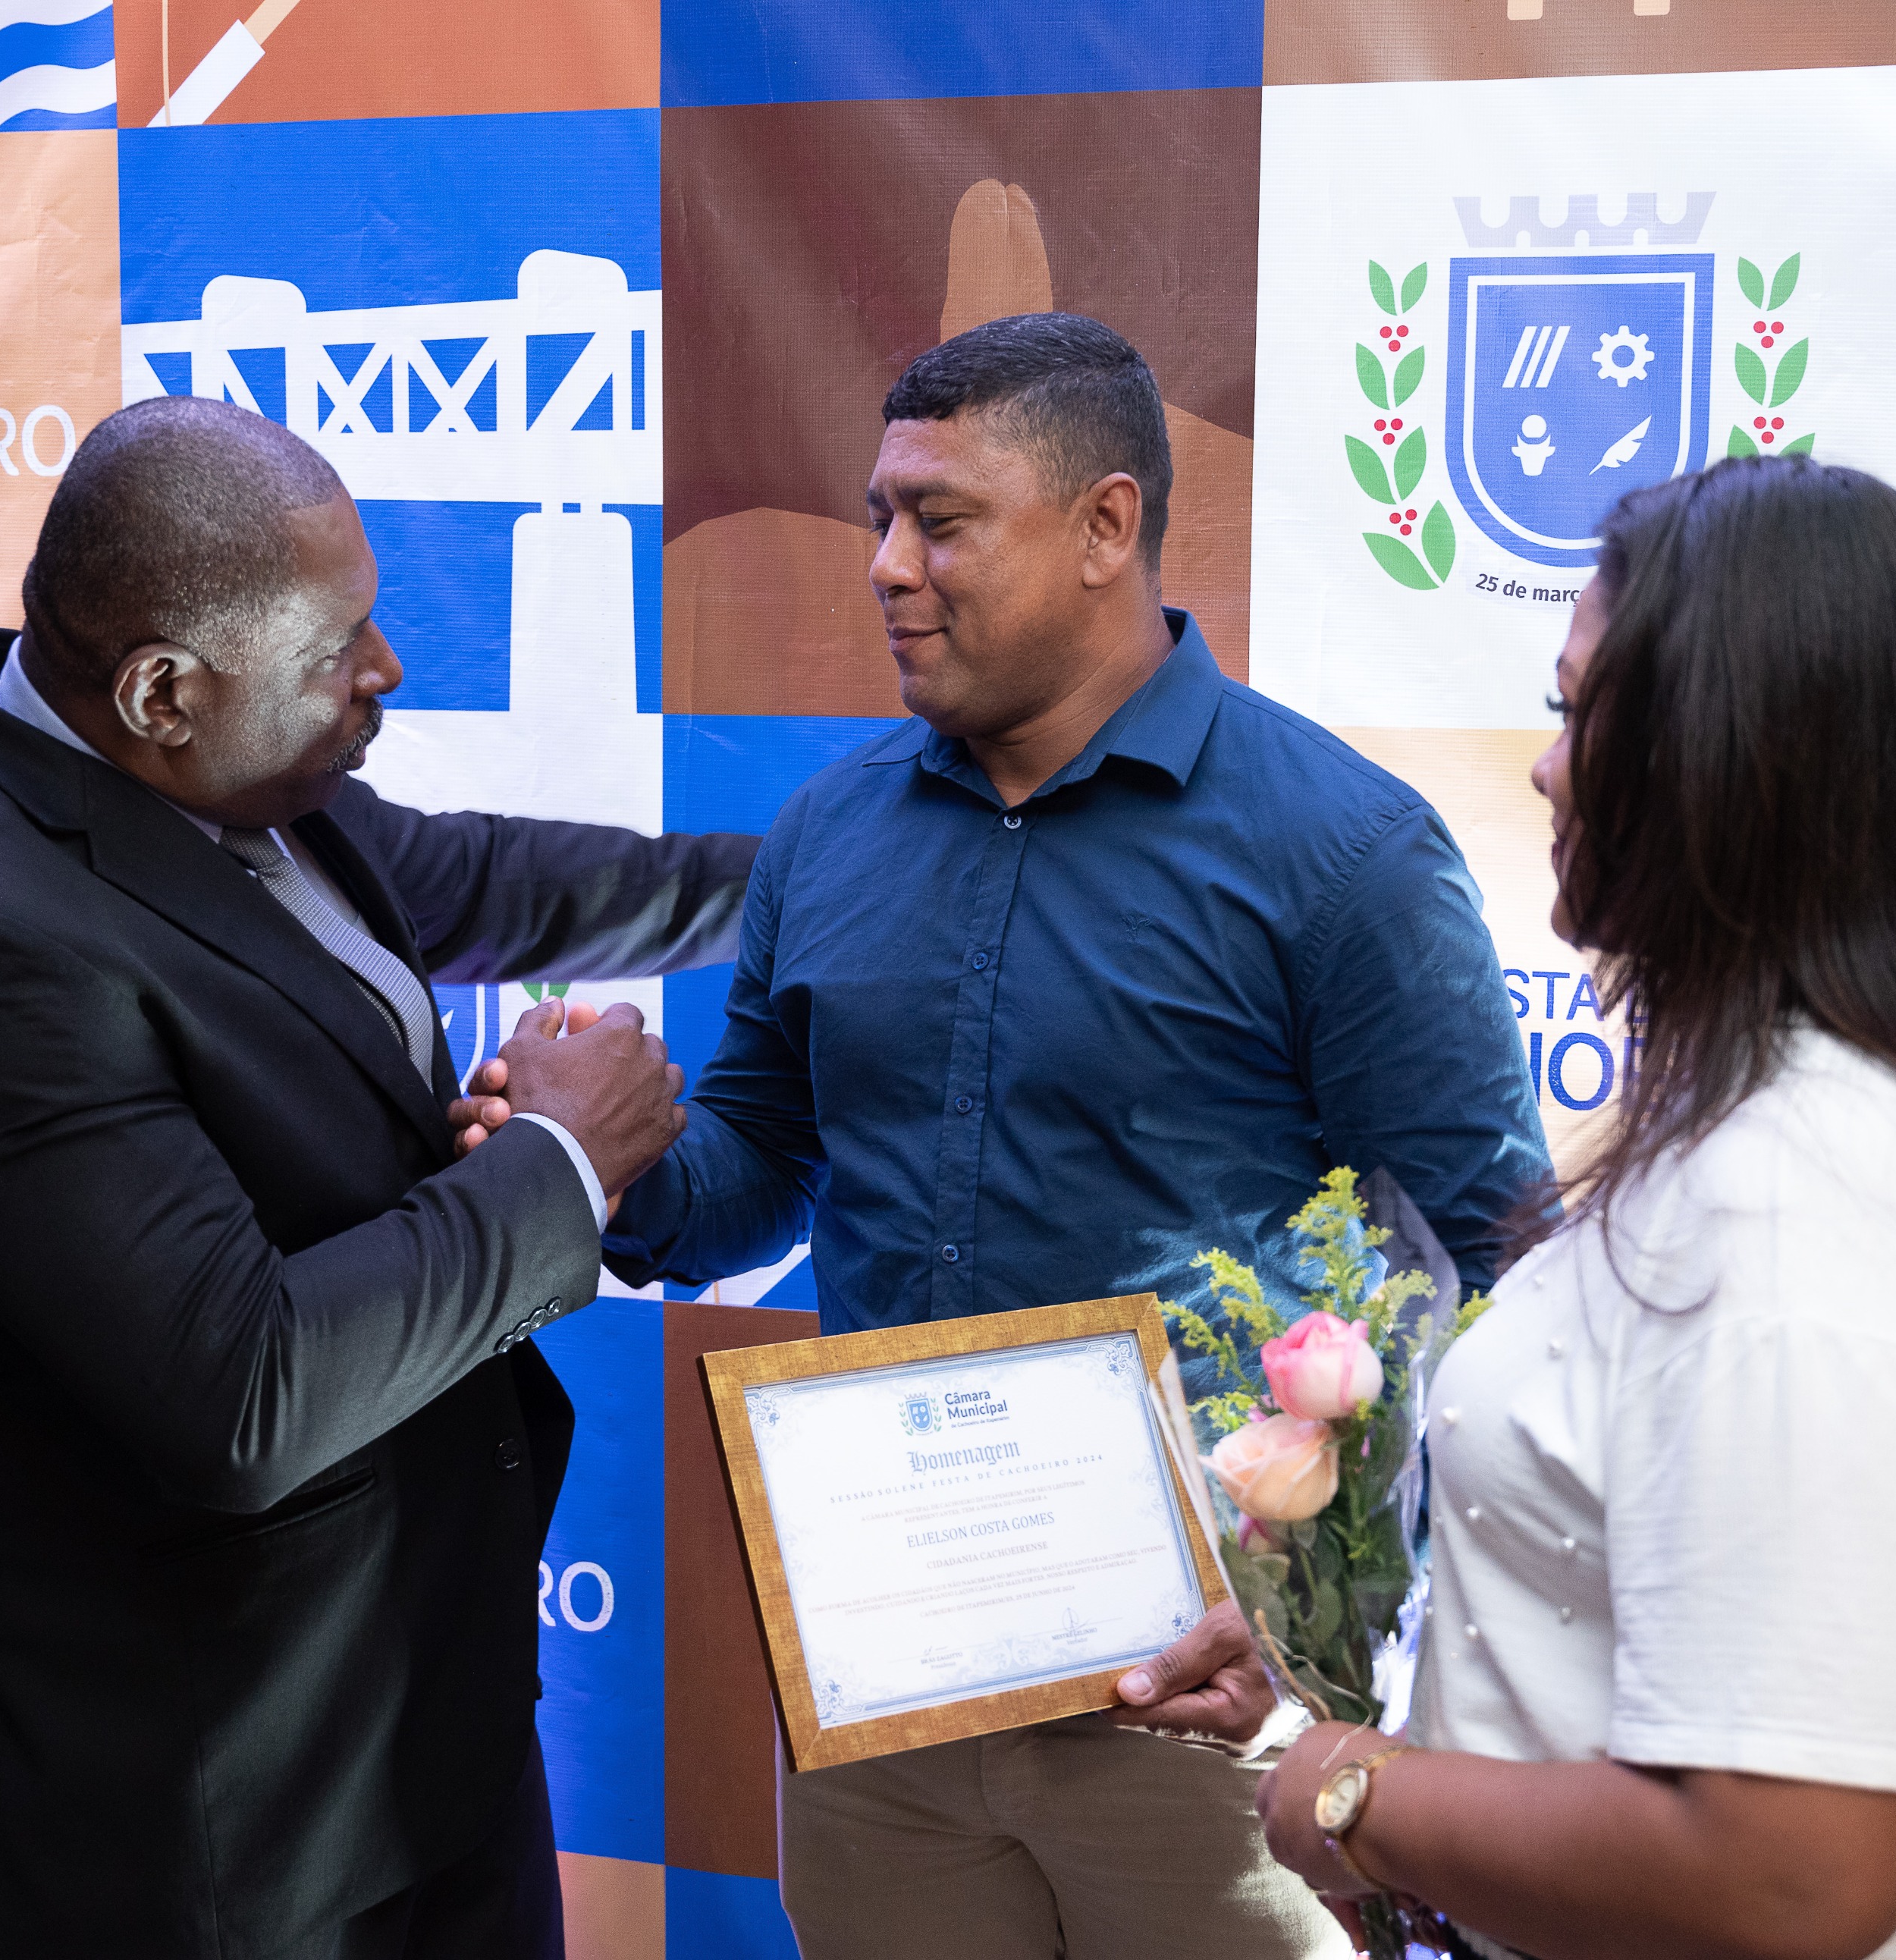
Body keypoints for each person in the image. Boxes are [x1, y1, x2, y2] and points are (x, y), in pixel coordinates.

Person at [576, 313, 1549, 1956]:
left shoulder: (1343, 852)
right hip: (884, 1689)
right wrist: (601, 1165)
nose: (885, 566)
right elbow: (762, 1156)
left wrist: (1354, 1612)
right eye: (881, 516)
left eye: (940, 520)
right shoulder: (824, 832)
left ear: (1107, 525)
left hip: (1212, 1707)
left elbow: (1496, 1260)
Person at [0, 394, 758, 1959]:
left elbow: (482, 878)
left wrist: (814, 881)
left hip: (422, 1735)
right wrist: (558, 1161)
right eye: (338, 648)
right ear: (163, 690)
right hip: (207, 1826)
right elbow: (237, 1389)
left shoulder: (220, 783)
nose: (386, 668)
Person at [1251, 457, 1896, 1960]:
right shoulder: (1825, 1124)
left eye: (1576, 715)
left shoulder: (1806, 1215)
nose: (1545, 769)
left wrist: (1356, 1797)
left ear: (1724, 758)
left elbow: (1788, 1876)